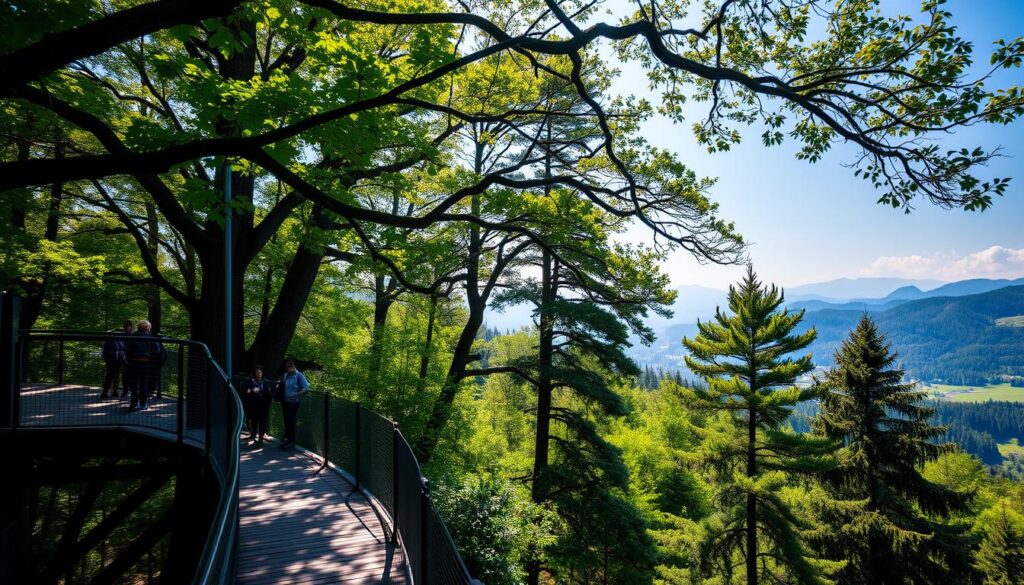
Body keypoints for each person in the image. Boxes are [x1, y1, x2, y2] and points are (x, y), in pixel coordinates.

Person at [126, 320, 161, 411]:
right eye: (149, 327)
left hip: (133, 364)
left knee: (134, 384)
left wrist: (129, 360)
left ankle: (134, 404)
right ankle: (143, 404)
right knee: (144, 383)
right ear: (147, 327)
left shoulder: (133, 336)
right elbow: (156, 350)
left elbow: (127, 350)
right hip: (146, 364)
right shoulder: (151, 337)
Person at [279, 359, 308, 447]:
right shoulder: (285, 375)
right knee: (286, 420)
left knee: (290, 420)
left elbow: (305, 387)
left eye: (291, 366)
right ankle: (287, 437)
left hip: (293, 402)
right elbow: (282, 386)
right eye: (288, 366)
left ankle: (291, 440)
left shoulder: (299, 375)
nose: (289, 368)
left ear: (294, 366)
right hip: (285, 401)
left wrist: (297, 394)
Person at [100, 320, 133, 399]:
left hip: (117, 360)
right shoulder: (114, 340)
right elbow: (107, 352)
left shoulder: (120, 339)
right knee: (111, 376)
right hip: (113, 360)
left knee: (116, 376)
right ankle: (106, 392)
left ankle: (113, 391)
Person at [243, 366, 273, 445]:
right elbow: (247, 391)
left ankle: (261, 437)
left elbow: (269, 395)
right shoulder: (250, 381)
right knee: (254, 420)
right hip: (253, 404)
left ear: (262, 373)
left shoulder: (265, 382)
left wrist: (267, 404)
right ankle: (253, 434)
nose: (258, 374)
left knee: (262, 421)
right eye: (256, 373)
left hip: (263, 405)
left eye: (259, 372)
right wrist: (252, 390)